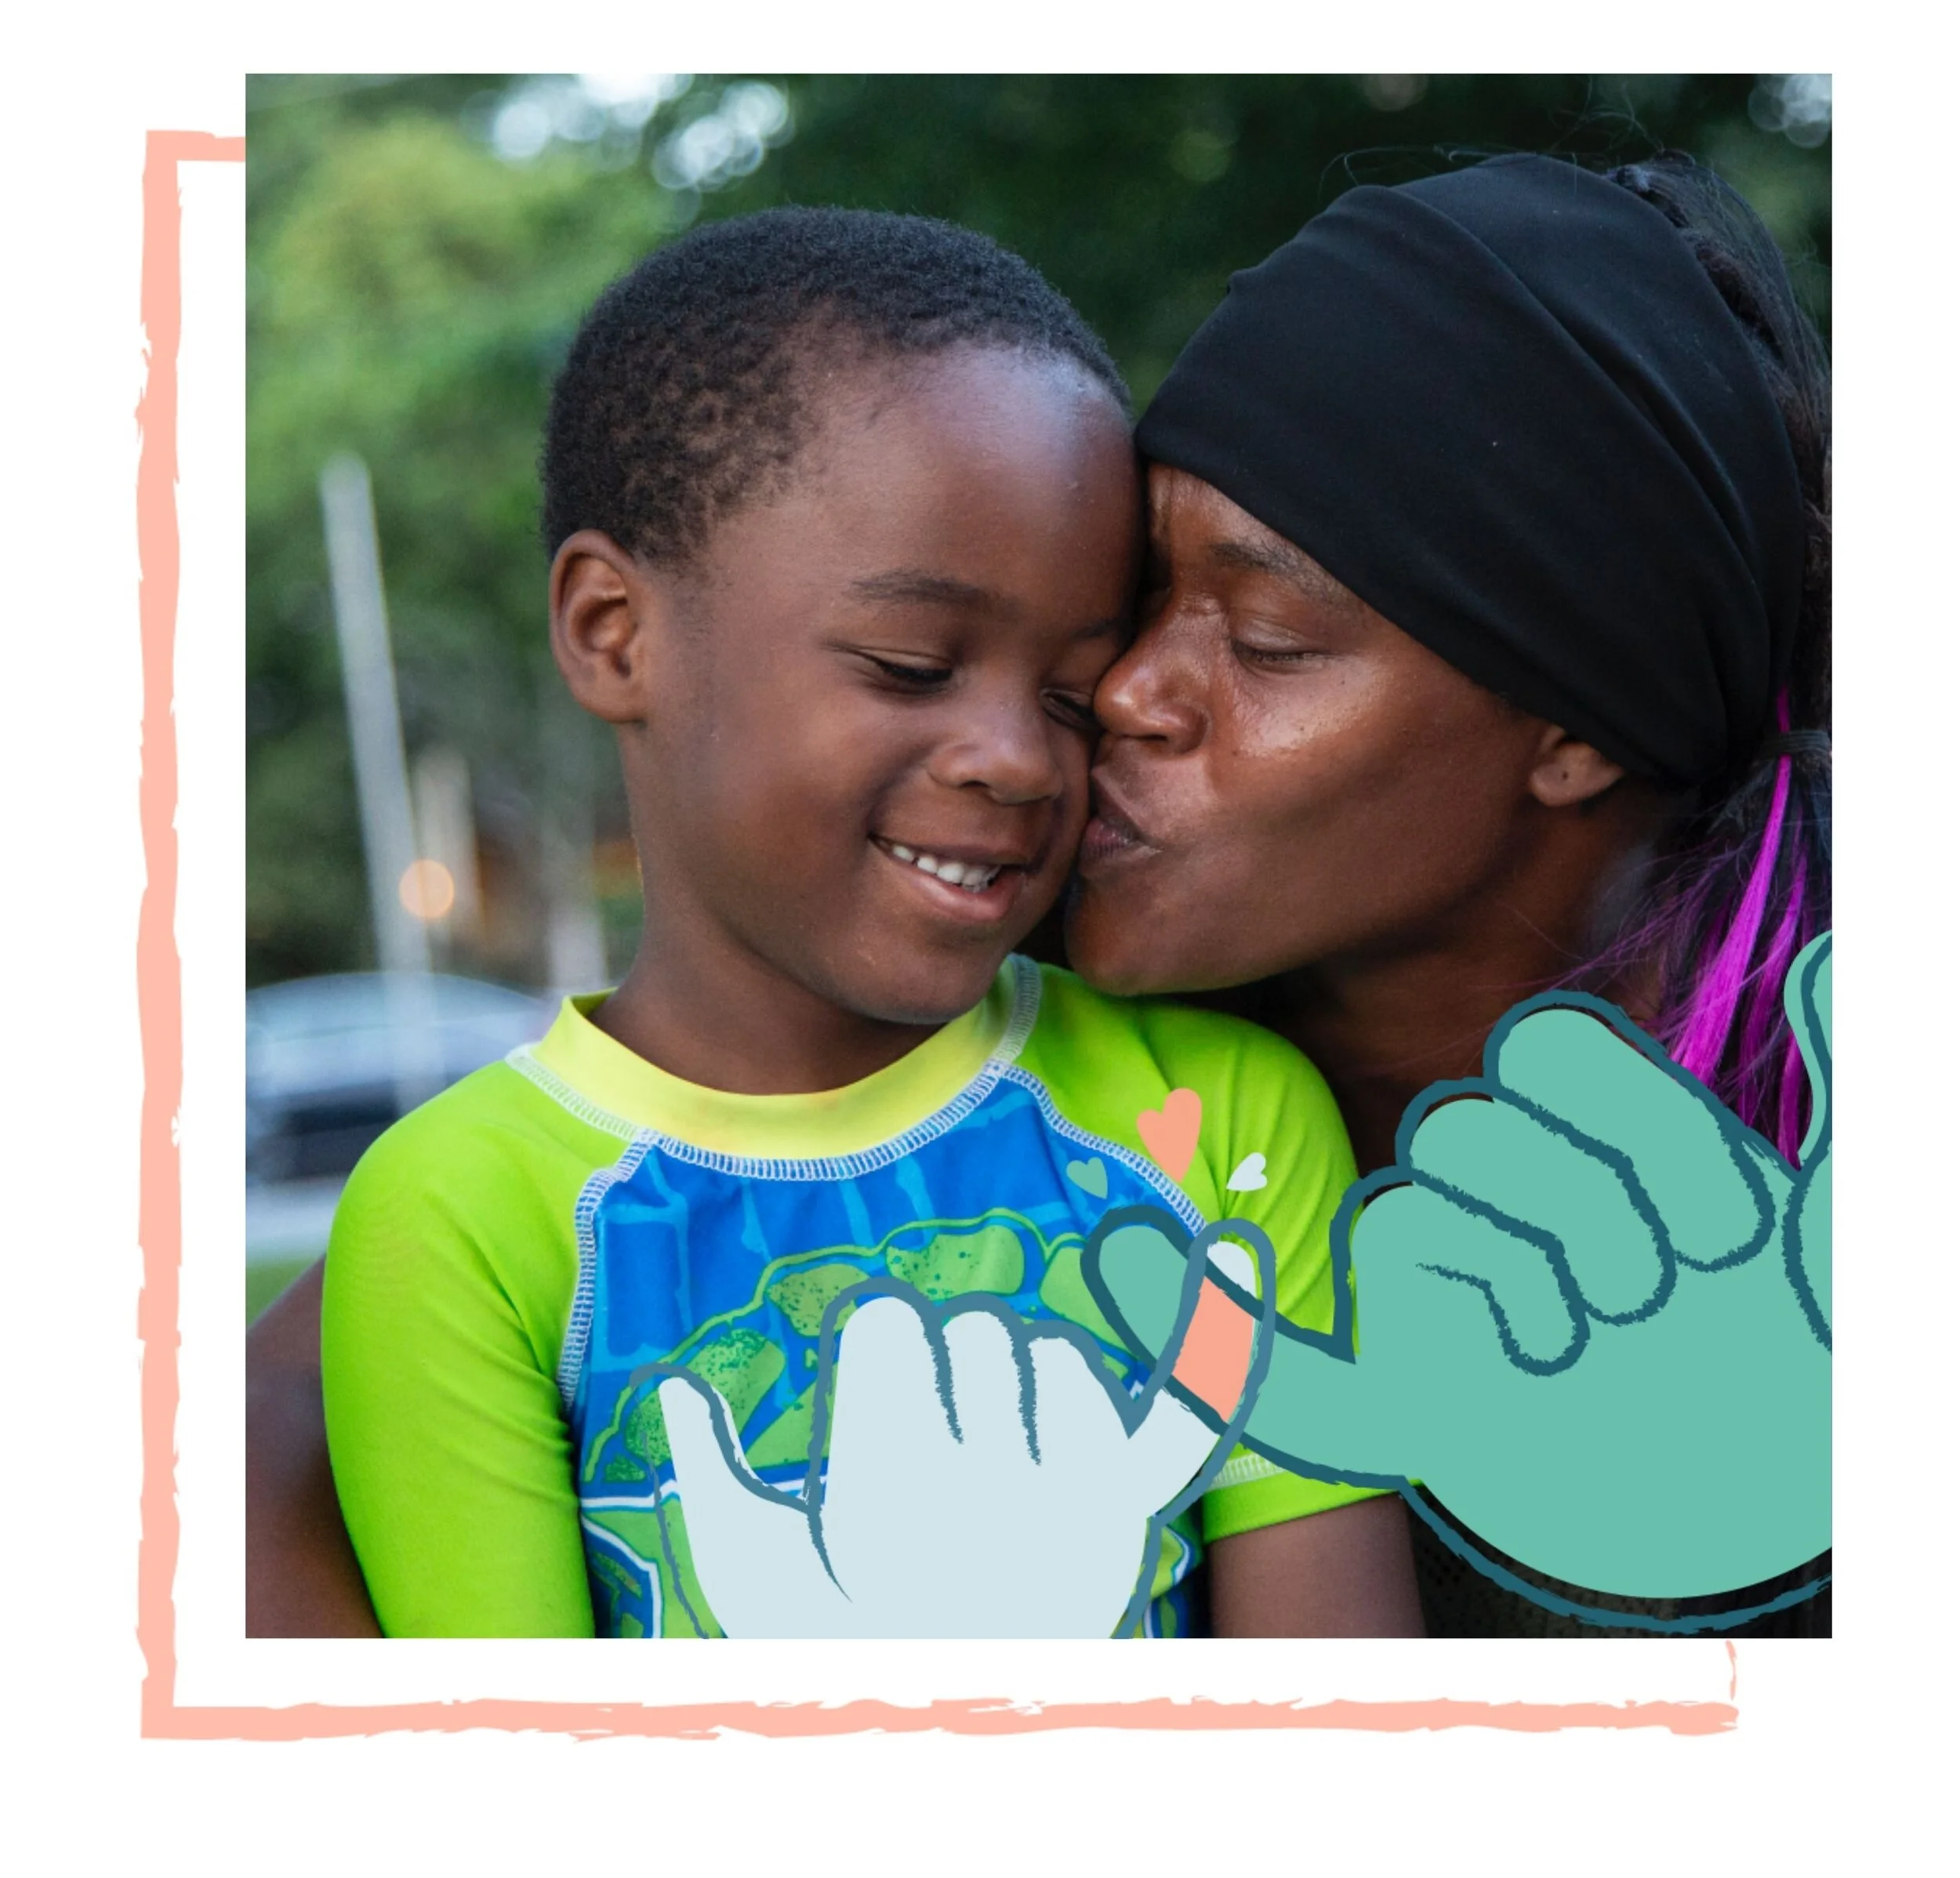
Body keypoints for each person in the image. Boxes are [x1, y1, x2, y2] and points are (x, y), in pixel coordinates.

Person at [312, 207, 1420, 1639]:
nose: (1019, 758)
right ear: (611, 631)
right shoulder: (462, 1215)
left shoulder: (1221, 1117)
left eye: (1074, 694)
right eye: (911, 664)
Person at [1064, 151, 1830, 1633]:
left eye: (1271, 639)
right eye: (1138, 596)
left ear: (1578, 733)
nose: (1127, 691)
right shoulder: (967, 1114)